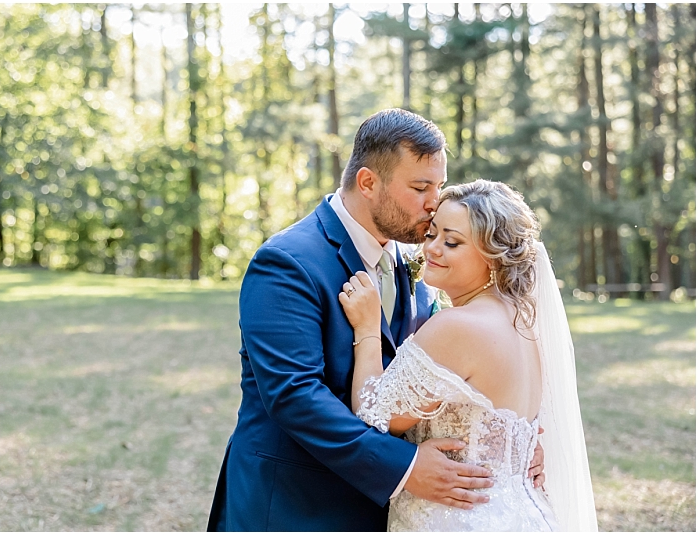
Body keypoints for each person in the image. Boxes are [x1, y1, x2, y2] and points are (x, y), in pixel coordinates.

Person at [207, 109, 543, 531]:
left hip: (390, 511)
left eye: (438, 186)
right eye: (420, 187)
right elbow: (294, 394)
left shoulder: (419, 265)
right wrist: (405, 467)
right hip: (296, 506)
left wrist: (509, 445)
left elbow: (448, 378)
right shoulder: (288, 262)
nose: (433, 202)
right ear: (368, 182)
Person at [339, 179, 598, 531]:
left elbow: (373, 413)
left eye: (453, 241)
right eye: (432, 234)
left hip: (460, 518)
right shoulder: (523, 321)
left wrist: (367, 329)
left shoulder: (459, 326)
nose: (432, 249)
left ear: (493, 257)